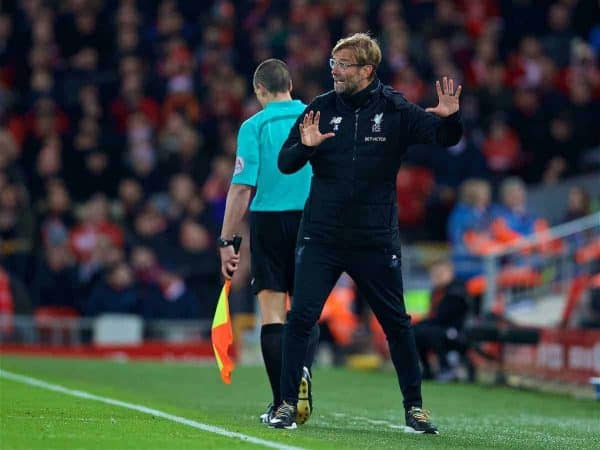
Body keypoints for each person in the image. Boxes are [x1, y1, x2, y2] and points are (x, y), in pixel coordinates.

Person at [270, 33, 463, 433]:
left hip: (374, 239)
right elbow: (285, 163)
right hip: (321, 235)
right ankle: (286, 404)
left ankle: (415, 408)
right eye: (333, 64)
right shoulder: (320, 109)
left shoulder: (394, 109)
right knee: (301, 318)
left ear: (367, 70)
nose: (335, 72)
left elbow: (444, 138)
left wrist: (450, 116)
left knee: (397, 324)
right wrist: (305, 147)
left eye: (343, 65)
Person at [218, 59, 320, 425]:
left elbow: (242, 188)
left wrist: (227, 239)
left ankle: (282, 404)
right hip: (313, 221)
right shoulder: (315, 115)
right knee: (305, 312)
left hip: (269, 222)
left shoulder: (253, 126)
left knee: (273, 314)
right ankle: (303, 371)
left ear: (259, 89)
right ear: (290, 83)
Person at [414, 259, 470, 382]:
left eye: (441, 273)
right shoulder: (436, 292)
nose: (437, 277)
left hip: (456, 332)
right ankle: (426, 369)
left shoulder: (457, 291)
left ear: (450, 272)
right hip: (438, 327)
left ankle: (446, 368)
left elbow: (443, 317)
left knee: (432, 332)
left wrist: (425, 323)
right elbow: (433, 317)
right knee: (415, 331)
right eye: (435, 273)